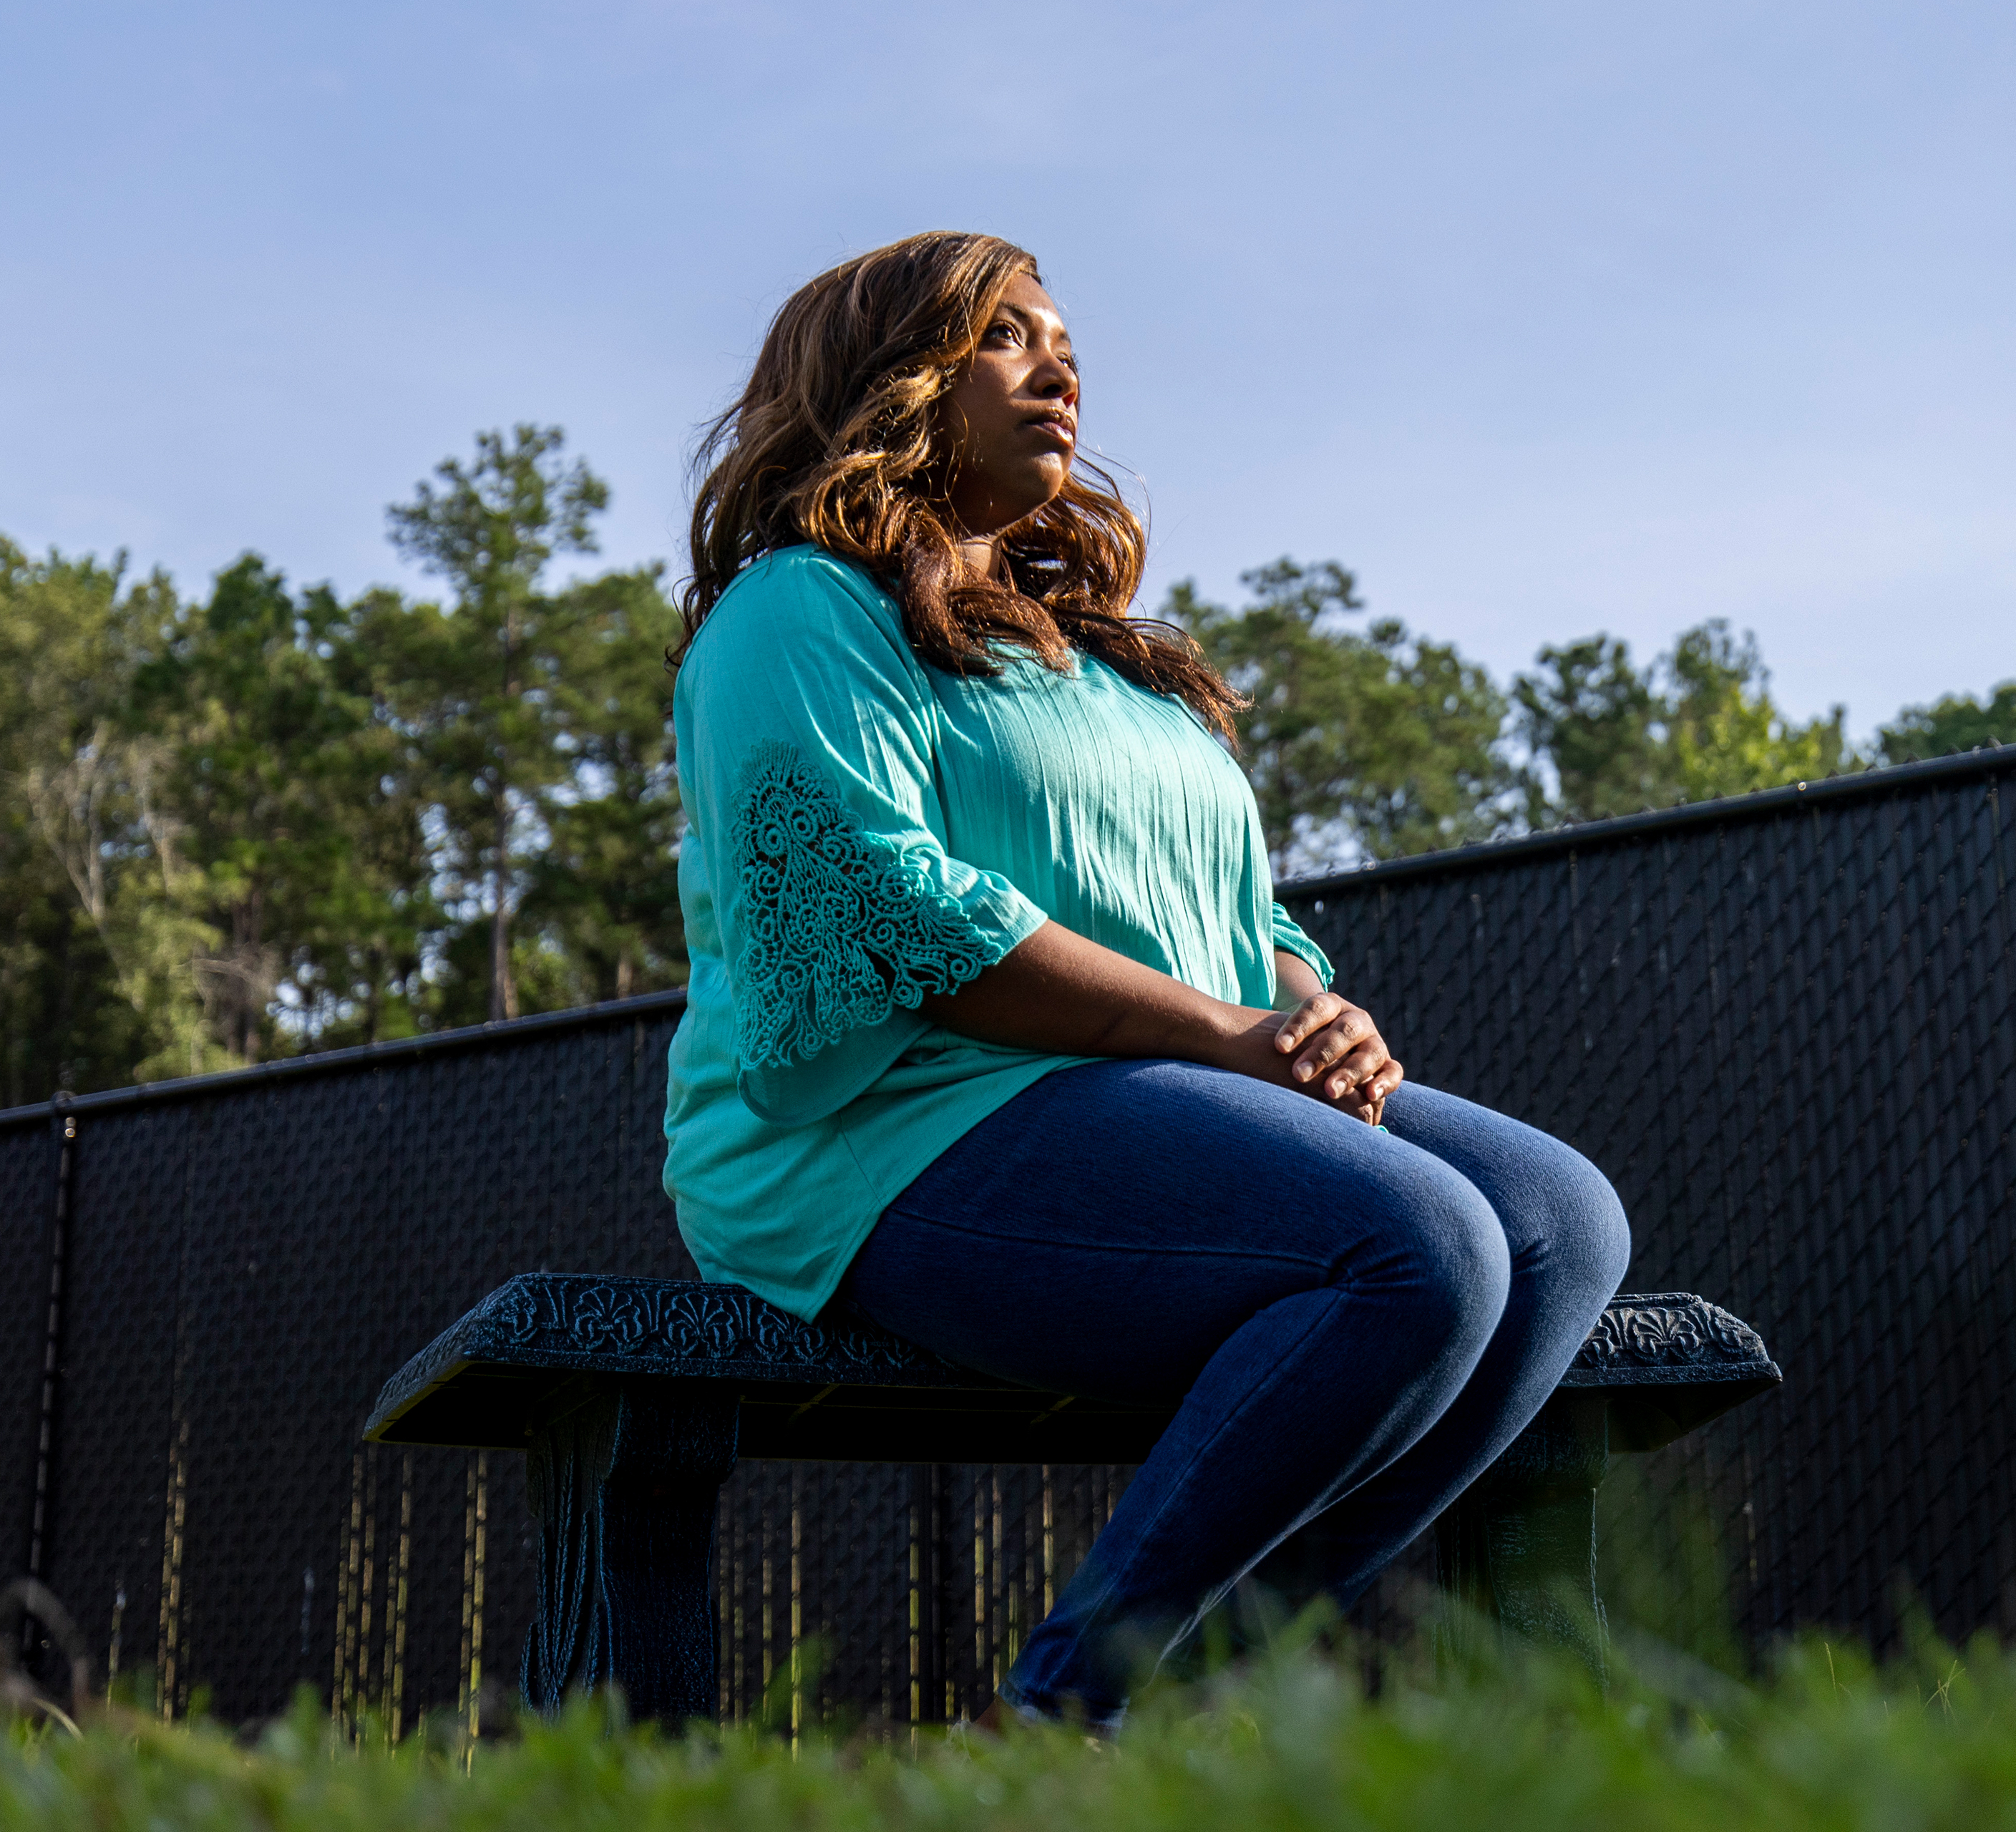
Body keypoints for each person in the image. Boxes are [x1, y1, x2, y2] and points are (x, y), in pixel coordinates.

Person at [661, 231, 1630, 1726]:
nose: (1060, 365)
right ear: (891, 375)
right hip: (888, 1122)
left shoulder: (1109, 667)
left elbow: (1242, 917)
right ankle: (1066, 1715)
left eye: (1065, 339)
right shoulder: (801, 609)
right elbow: (891, 912)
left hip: (1162, 1074)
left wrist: (1312, 1012)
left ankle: (1206, 1705)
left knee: (1559, 1222)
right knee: (1423, 1244)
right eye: (1005, 336)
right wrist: (1231, 1035)